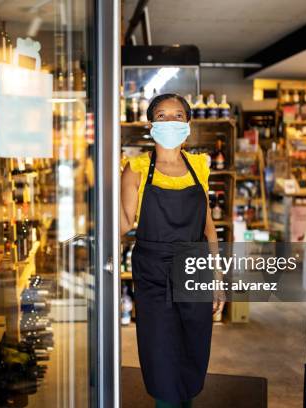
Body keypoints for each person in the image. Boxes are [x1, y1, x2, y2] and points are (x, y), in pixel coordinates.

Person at [121, 93, 224, 408]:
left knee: (193, 348)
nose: (169, 121)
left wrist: (218, 275)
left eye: (177, 115)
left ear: (188, 123)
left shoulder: (199, 165)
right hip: (153, 270)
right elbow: (124, 223)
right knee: (161, 351)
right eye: (161, 115)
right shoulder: (136, 168)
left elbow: (207, 224)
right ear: (151, 123)